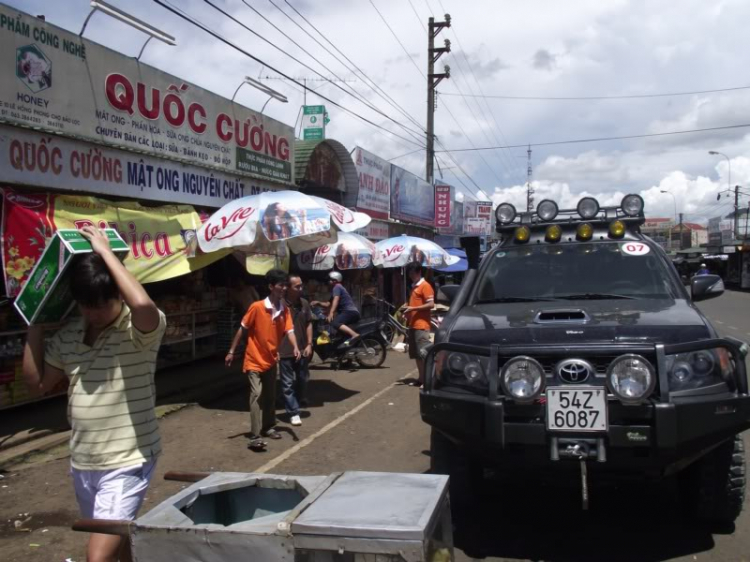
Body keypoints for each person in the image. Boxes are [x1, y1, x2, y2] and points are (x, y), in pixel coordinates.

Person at [22, 226, 166, 562]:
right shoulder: (70, 335)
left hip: (128, 460)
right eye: (87, 306)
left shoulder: (139, 330)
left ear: (119, 295)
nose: (94, 313)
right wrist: (34, 324)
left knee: (97, 557)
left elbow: (143, 303)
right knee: (120, 541)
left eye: (103, 304)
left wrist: (105, 253)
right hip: (84, 462)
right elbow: (37, 384)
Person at [226, 269, 300, 452]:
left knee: (270, 396)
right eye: (280, 285)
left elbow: (289, 331)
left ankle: (269, 427)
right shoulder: (257, 307)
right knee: (256, 394)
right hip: (253, 358)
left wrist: (296, 347)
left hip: (271, 359)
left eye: (285, 285)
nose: (283, 288)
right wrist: (232, 351)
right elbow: (242, 328)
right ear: (271, 286)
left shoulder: (285, 311)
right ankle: (255, 434)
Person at [279, 275, 313, 426]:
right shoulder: (279, 305)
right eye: (297, 286)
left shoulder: (304, 303)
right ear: (287, 287)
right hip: (285, 350)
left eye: (301, 286)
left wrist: (309, 344)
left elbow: (309, 324)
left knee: (302, 378)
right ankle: (293, 412)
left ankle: (300, 399)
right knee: (287, 383)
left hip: (302, 349)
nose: (300, 289)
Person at [403, 262, 435, 387]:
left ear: (418, 272)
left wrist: (412, 309)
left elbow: (431, 304)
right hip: (413, 324)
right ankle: (421, 379)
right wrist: (408, 312)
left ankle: (428, 380)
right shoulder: (414, 286)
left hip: (421, 325)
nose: (411, 276)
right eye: (409, 273)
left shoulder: (425, 286)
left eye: (412, 273)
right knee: (417, 354)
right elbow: (415, 306)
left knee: (423, 354)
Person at [311, 271, 360, 346]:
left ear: (334, 280)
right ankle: (345, 347)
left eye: (329, 280)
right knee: (338, 332)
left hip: (349, 312)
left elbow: (336, 300)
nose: (328, 282)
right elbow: (328, 304)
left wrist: (331, 313)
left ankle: (354, 335)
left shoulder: (337, 287)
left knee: (335, 323)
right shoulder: (337, 289)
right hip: (349, 312)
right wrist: (318, 302)